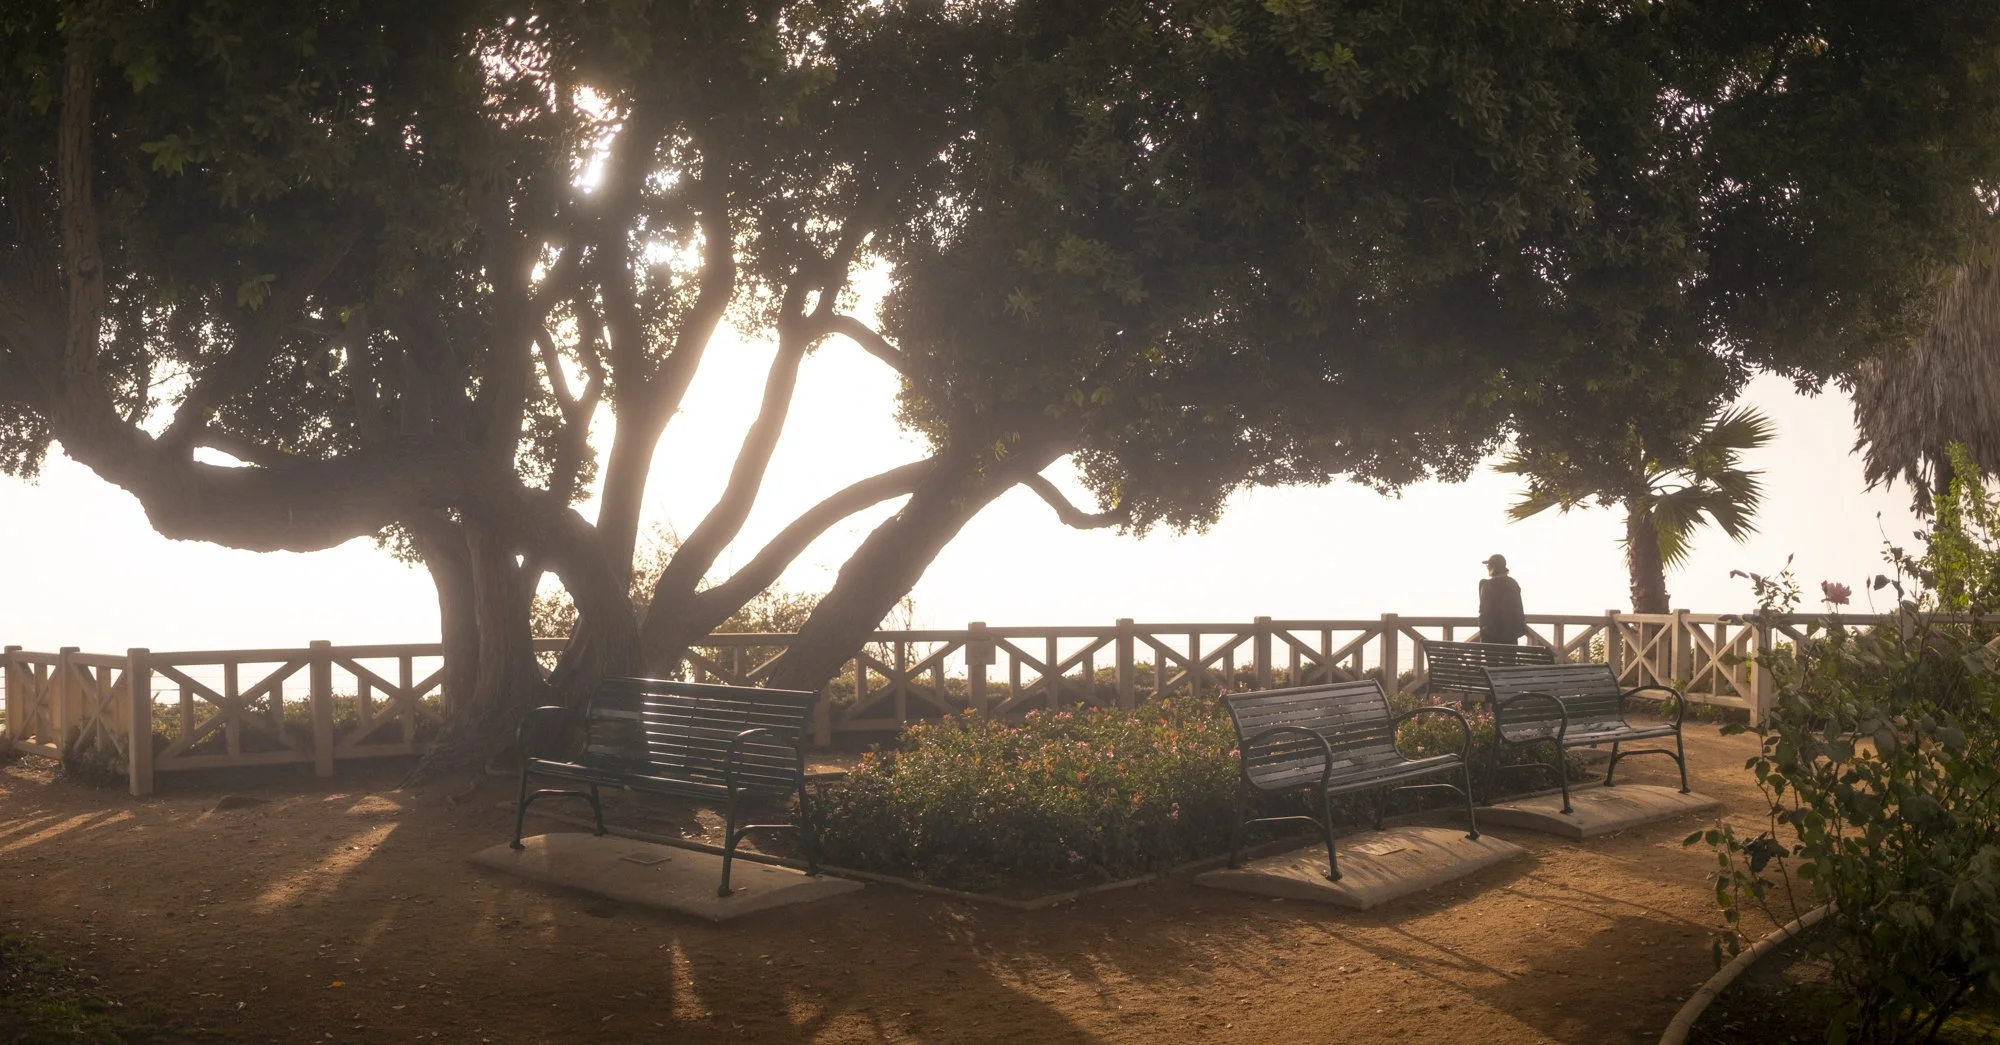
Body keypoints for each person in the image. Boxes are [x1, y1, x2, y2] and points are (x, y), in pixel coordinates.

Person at [1478, 554, 1526, 645]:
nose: (1487, 568)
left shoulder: (1487, 585)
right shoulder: (1513, 584)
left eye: (1488, 565)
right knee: (1509, 655)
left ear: (1493, 567)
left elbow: (1484, 612)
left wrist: (1483, 630)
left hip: (1491, 637)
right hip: (1511, 636)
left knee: (1492, 654)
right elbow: (1519, 610)